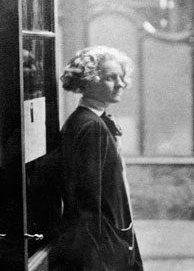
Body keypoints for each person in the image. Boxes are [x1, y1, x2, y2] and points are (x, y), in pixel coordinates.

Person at [49, 46, 143, 271]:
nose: (121, 84)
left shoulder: (88, 121)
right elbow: (88, 205)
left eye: (121, 77)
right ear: (88, 81)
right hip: (102, 249)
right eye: (111, 77)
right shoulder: (90, 126)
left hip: (109, 240)